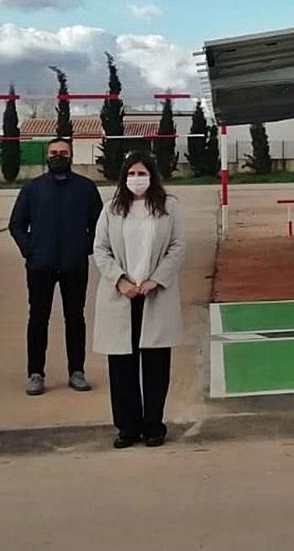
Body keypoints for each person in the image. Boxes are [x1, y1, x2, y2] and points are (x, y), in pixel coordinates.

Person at [92, 153, 186, 448]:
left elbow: (177, 246)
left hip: (154, 293)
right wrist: (119, 280)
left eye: (141, 172)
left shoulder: (169, 207)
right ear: (124, 177)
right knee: (122, 366)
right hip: (121, 294)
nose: (136, 178)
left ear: (152, 175)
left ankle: (154, 426)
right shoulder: (111, 209)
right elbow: (101, 248)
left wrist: (154, 280)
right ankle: (127, 427)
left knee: (156, 365)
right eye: (131, 173)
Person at [9, 138, 104, 396]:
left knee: (75, 318)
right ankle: (36, 373)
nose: (58, 156)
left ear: (71, 156)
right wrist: (30, 250)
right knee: (38, 319)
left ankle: (77, 371)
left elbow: (100, 225)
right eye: (53, 152)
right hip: (40, 266)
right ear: (47, 156)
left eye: (63, 152)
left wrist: (84, 246)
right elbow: (16, 224)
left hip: (75, 265)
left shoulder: (86, 188)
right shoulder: (32, 188)